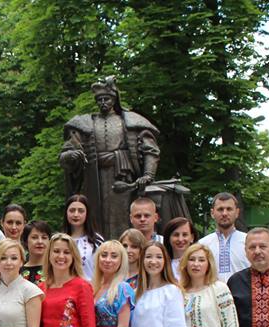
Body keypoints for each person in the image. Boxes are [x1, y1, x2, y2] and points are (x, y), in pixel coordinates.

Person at [59, 77, 160, 240]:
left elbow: (150, 149)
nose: (103, 102)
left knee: (122, 216)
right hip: (93, 178)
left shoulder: (128, 122)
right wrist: (71, 155)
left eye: (106, 99)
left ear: (114, 100)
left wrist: (148, 174)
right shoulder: (85, 124)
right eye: (99, 99)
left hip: (122, 177)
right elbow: (65, 154)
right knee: (93, 216)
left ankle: (124, 247)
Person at [199, 192, 250, 281]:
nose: (224, 213)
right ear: (212, 213)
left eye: (229, 209)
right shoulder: (202, 244)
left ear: (237, 212)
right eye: (220, 209)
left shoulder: (248, 241)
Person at [62, 194, 104, 280]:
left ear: (87, 213)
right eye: (72, 210)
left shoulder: (97, 240)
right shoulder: (59, 240)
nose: (76, 214)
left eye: (81, 211)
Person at [162, 217, 199, 282]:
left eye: (185, 235)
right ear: (168, 238)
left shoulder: (199, 264)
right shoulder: (162, 266)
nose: (180, 239)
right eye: (176, 235)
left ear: (192, 238)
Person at [20, 220, 52, 287]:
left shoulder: (55, 269)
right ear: (26, 241)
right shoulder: (17, 270)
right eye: (34, 237)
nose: (40, 241)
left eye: (44, 238)